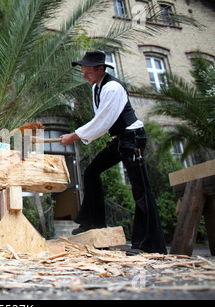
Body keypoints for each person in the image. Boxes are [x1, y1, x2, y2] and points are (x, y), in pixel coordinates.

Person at [61, 51, 167, 255]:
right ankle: (93, 222)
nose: (84, 76)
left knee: (141, 190)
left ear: (101, 69)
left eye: (87, 72)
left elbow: (102, 122)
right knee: (91, 172)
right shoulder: (96, 88)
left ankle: (148, 245)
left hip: (132, 138)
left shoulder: (112, 88)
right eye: (83, 72)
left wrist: (73, 136)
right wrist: (77, 135)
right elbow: (101, 119)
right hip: (119, 140)